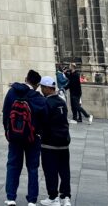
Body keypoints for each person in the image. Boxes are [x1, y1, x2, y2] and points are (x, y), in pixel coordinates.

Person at [2, 69, 48, 206]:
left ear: (26, 78)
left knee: (13, 165)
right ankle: (32, 200)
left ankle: (11, 198)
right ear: (37, 84)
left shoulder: (12, 92)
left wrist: (8, 132)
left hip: (14, 137)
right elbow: (44, 118)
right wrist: (39, 133)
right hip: (32, 138)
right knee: (32, 168)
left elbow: (6, 113)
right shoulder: (38, 98)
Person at [38, 75, 71, 206]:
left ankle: (53, 197)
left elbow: (43, 122)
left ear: (47, 88)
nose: (41, 89)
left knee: (50, 170)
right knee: (64, 171)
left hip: (49, 143)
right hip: (64, 143)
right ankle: (65, 196)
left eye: (42, 87)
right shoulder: (62, 102)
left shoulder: (46, 103)